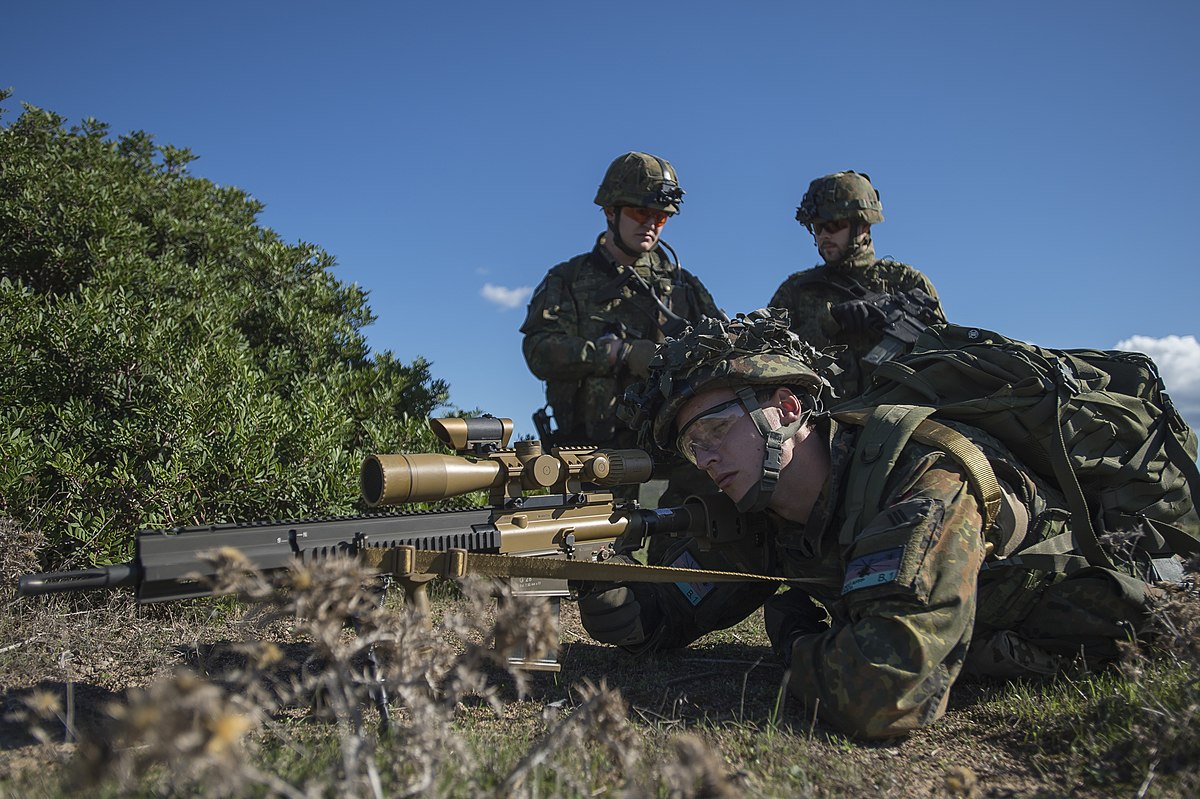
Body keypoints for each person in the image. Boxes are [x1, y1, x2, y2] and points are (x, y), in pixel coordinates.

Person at [577, 309, 1181, 739]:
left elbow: (883, 698)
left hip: (1095, 608)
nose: (704, 457)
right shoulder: (767, 509)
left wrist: (791, 641)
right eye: (690, 447)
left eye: (714, 430)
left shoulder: (919, 477)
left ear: (787, 409)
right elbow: (673, 612)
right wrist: (607, 591)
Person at [521, 151, 723, 511]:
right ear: (610, 212)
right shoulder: (569, 279)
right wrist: (619, 354)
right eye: (640, 212)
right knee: (590, 556)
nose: (650, 224)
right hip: (591, 454)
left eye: (660, 217)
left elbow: (721, 343)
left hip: (672, 449)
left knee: (686, 547)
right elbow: (539, 351)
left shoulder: (684, 287)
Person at [769, 171, 946, 398]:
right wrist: (829, 323)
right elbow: (767, 355)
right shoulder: (797, 290)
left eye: (834, 225)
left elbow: (943, 355)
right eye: (817, 227)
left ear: (863, 226)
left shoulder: (908, 283)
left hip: (895, 410)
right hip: (817, 419)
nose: (824, 235)